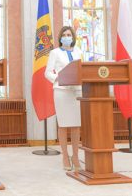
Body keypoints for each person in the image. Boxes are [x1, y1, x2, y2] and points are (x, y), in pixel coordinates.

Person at [45, 26, 82, 171]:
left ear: (73, 37)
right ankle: (65, 156)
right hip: (61, 91)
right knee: (64, 124)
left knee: (76, 124)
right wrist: (59, 78)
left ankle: (76, 156)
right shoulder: (55, 53)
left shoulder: (78, 51)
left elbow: (81, 69)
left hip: (77, 91)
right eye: (65, 35)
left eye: (69, 34)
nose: (67, 37)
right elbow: (47, 73)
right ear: (60, 38)